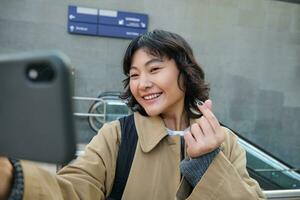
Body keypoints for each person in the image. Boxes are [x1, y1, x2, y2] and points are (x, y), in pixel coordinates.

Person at [0, 30, 265, 200]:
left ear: (185, 71)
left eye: (154, 69)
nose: (142, 83)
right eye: (134, 75)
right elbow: (71, 191)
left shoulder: (223, 140)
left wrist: (207, 163)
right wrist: (11, 178)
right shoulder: (116, 136)